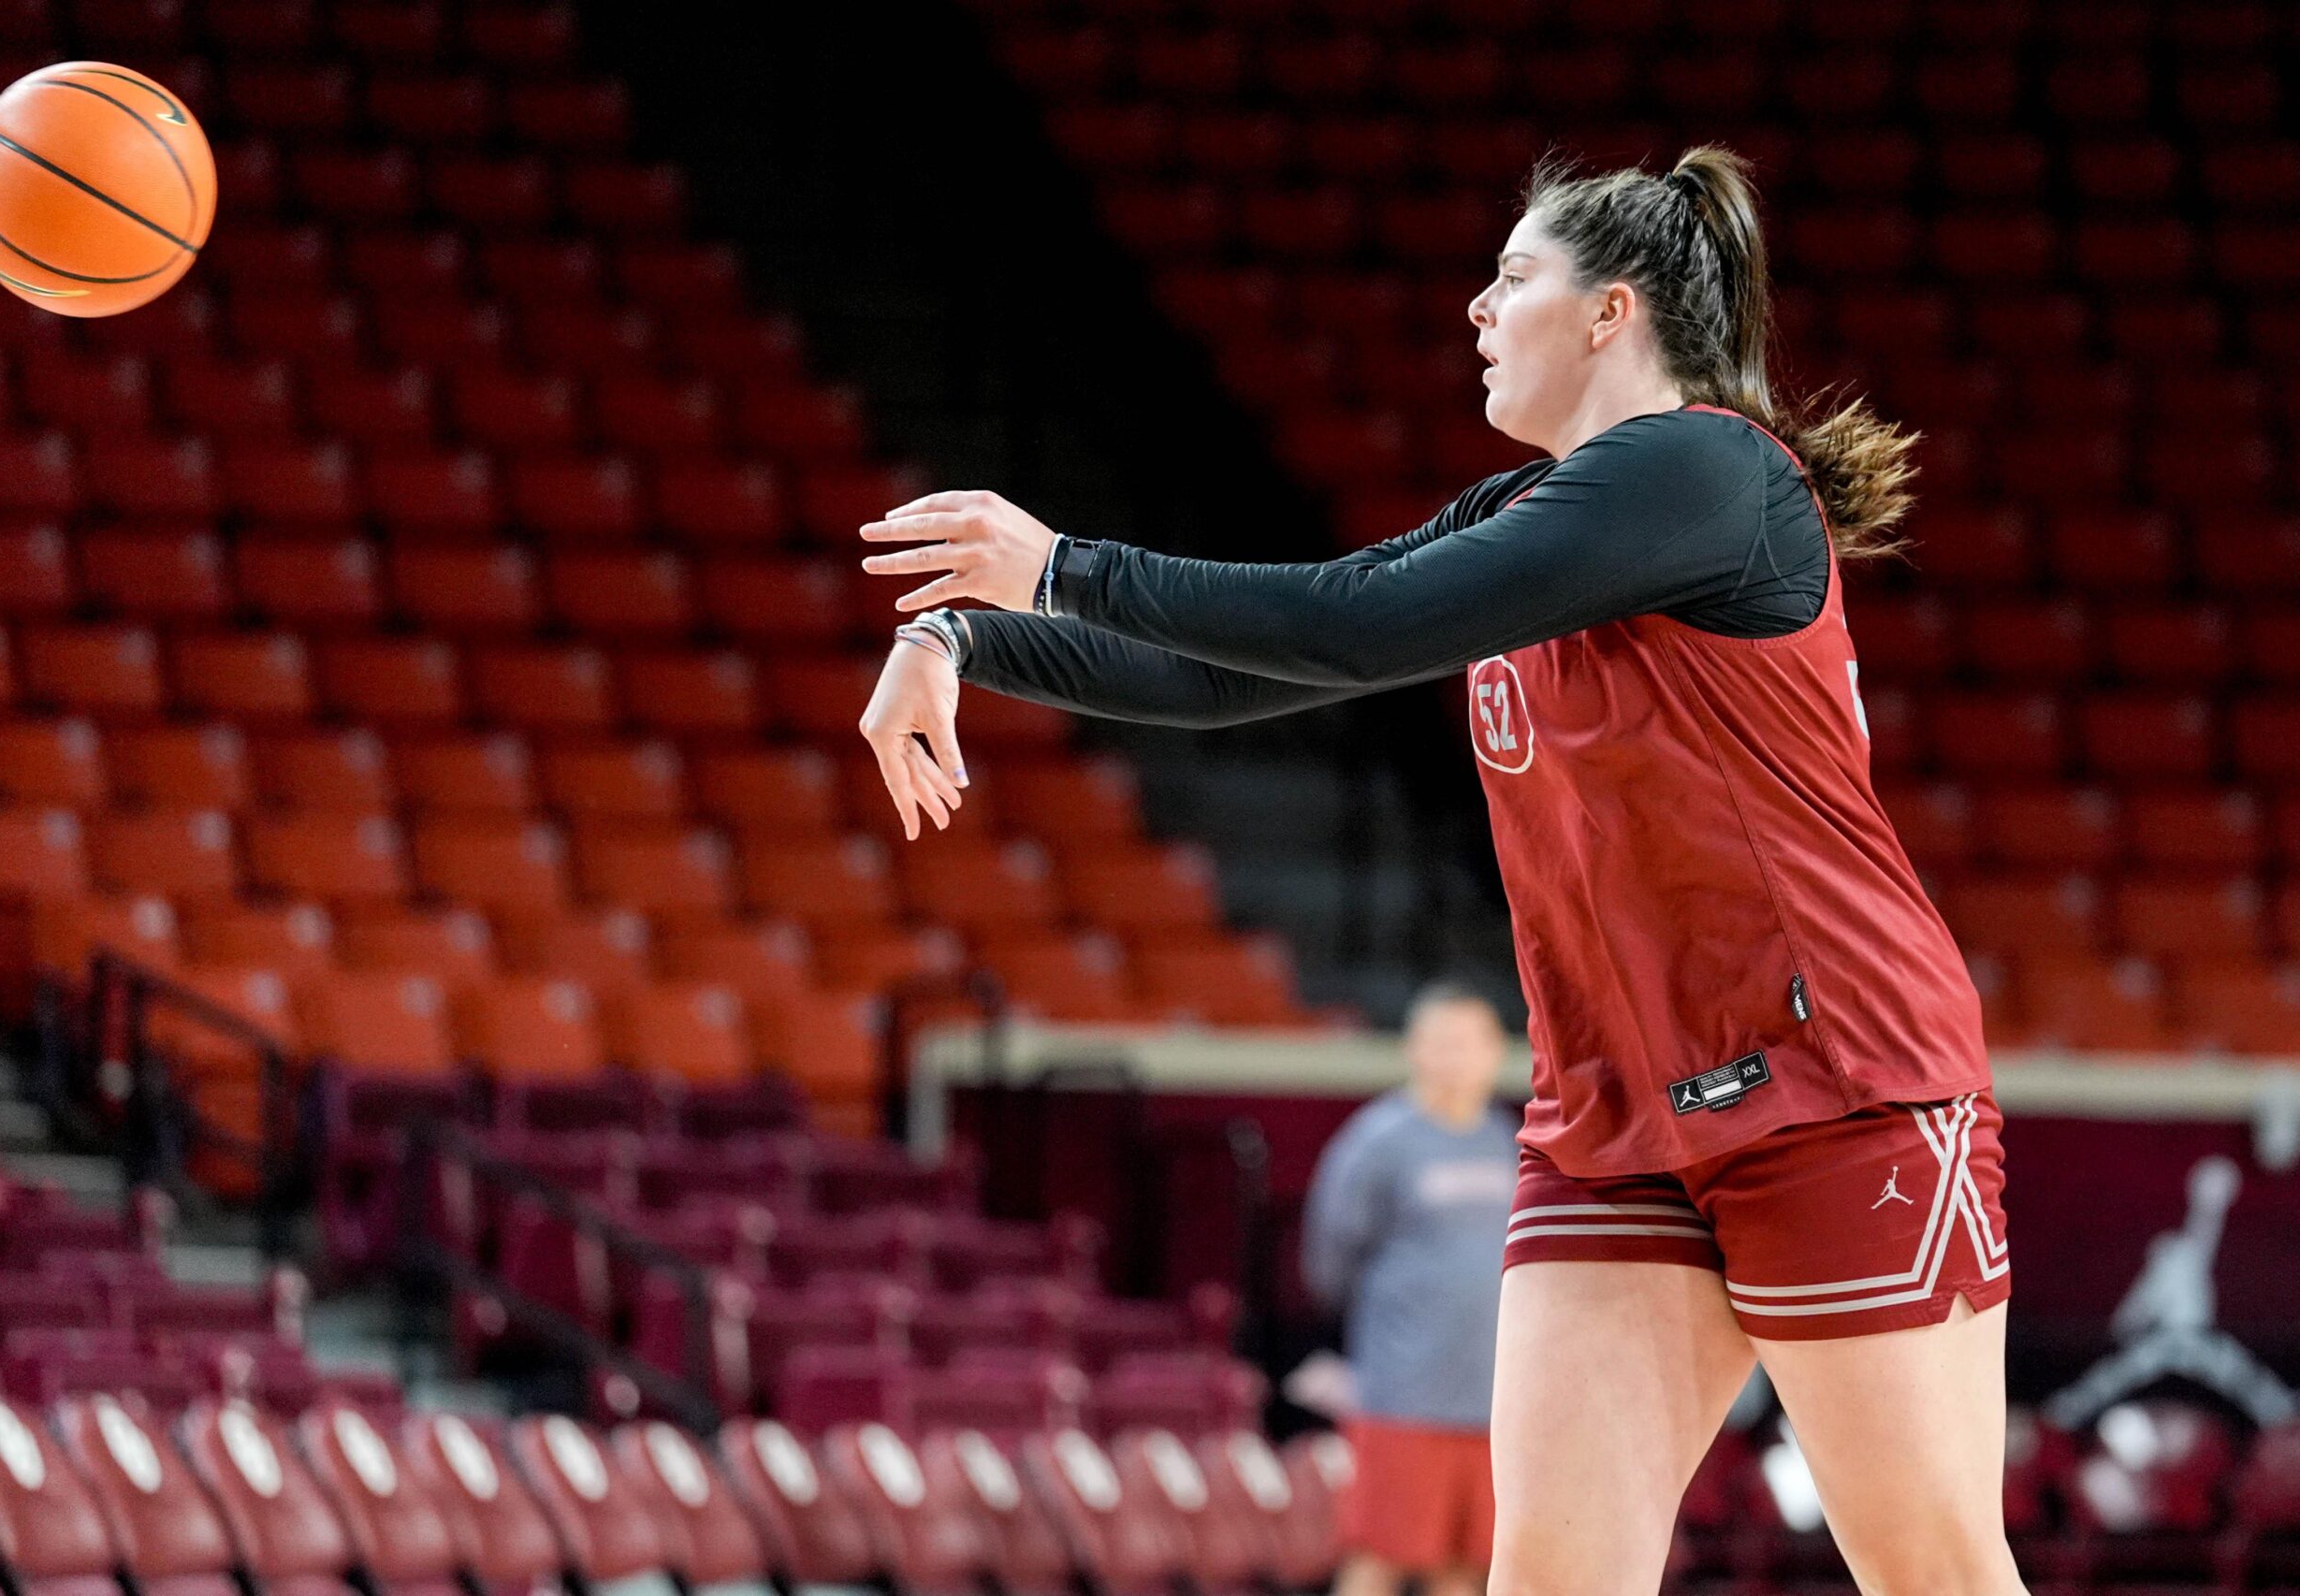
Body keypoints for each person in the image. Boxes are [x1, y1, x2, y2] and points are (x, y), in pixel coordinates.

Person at [854, 144, 2021, 1596]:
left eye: (1512, 276)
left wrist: (1059, 562)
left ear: (1611, 312)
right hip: (1613, 1112)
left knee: (1932, 1572)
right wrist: (960, 635)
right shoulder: (1522, 521)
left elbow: (1351, 624)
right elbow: (1237, 675)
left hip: (1832, 1088)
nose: (1477, 307)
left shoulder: (1705, 468)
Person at [1300, 981, 1519, 1596]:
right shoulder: (1376, 1141)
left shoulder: (1508, 1140)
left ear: (1495, 1051)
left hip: (1490, 1400)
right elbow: (1331, 1262)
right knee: (1379, 1557)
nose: (1456, 1056)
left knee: (1464, 1567)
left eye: (1469, 1042)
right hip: (1404, 1398)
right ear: (1413, 1049)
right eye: (1441, 1041)